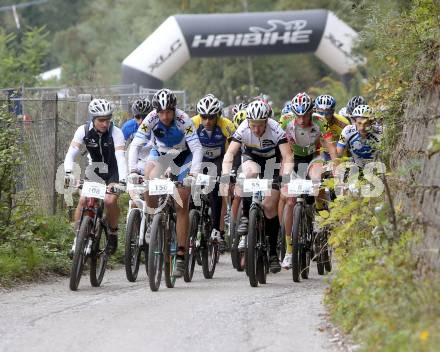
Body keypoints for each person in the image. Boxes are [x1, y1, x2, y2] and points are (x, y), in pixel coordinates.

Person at [128, 88, 203, 278]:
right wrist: (131, 170)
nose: (165, 116)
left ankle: (180, 255)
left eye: (168, 111)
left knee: (181, 201)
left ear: (174, 110)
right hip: (160, 154)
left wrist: (193, 174)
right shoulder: (151, 118)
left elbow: (196, 148)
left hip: (182, 157)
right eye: (161, 112)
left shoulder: (183, 119)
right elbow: (135, 145)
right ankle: (153, 219)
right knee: (148, 179)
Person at [221, 99, 293, 273]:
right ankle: (246, 217)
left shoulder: (276, 129)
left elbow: (288, 157)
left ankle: (273, 254)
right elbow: (230, 153)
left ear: (266, 121)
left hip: (272, 162)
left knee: (269, 207)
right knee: (249, 175)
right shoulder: (243, 128)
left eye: (260, 125)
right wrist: (226, 174)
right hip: (252, 158)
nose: (256, 130)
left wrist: (284, 178)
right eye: (253, 125)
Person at [64, 98, 127, 256]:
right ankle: (77, 239)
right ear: (93, 119)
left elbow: (120, 158)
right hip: (95, 171)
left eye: (108, 120)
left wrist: (123, 181)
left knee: (109, 200)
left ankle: (112, 233)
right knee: (84, 200)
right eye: (101, 120)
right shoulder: (83, 130)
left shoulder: (116, 133)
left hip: (113, 171)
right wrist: (68, 173)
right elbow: (71, 154)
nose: (105, 124)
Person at [192, 94, 235, 250]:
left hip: (220, 159)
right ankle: (193, 221)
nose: (207, 121)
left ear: (217, 115)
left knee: (216, 188)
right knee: (189, 185)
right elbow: (184, 147)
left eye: (211, 117)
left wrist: (230, 172)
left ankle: (217, 229)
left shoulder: (227, 125)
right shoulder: (193, 123)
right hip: (200, 159)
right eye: (204, 117)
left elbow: (234, 151)